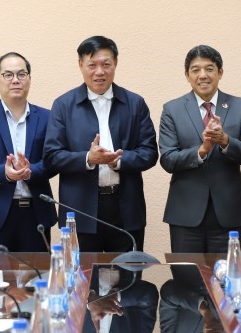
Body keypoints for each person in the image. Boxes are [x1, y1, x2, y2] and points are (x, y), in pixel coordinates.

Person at [44, 35, 158, 252]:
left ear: (116, 64)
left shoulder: (135, 103)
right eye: (92, 65)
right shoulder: (63, 105)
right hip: (80, 210)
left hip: (125, 209)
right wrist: (88, 159)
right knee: (83, 273)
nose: (99, 72)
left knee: (128, 272)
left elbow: (150, 152)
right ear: (80, 65)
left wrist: (118, 161)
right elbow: (51, 156)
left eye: (106, 64)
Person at [159, 45, 241, 253]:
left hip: (228, 213)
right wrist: (201, 151)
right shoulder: (172, 109)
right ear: (187, 75)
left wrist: (225, 141)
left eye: (209, 69)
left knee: (226, 273)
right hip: (185, 213)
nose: (203, 75)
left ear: (220, 72)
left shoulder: (240, 106)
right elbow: (168, 159)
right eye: (195, 70)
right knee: (186, 272)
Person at [0, 52, 57, 252]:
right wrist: (5, 173)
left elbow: (53, 160)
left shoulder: (47, 117)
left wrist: (30, 171)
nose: (15, 80)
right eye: (8, 75)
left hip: (36, 214)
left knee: (37, 272)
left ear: (29, 79)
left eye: (21, 74)